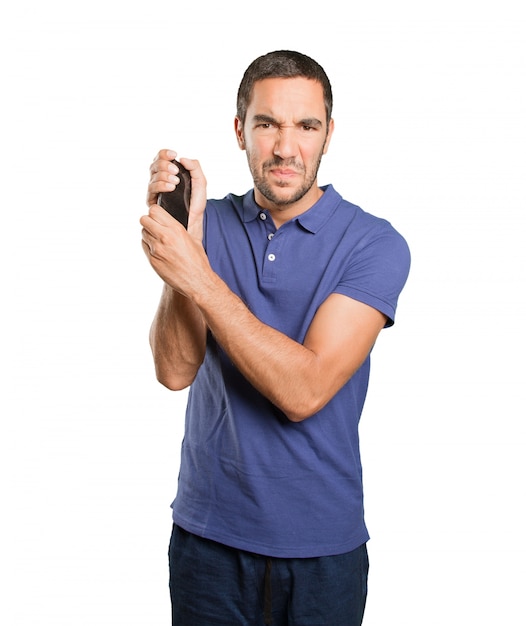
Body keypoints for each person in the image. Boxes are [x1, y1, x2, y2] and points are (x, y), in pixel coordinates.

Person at [140, 50, 410, 626]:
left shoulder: (375, 245)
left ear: (328, 134)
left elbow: (305, 390)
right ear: (240, 130)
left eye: (306, 126)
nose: (286, 148)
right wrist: (181, 241)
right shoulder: (206, 227)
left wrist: (199, 276)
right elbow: (174, 371)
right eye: (267, 124)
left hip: (322, 552)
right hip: (206, 542)